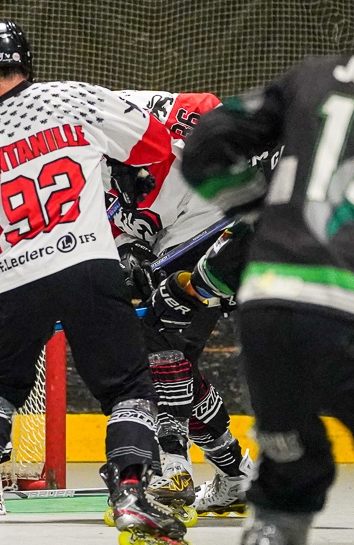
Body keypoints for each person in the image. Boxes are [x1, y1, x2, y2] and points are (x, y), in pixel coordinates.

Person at [181, 1, 354, 545]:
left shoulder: (313, 76)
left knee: (287, 486)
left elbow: (204, 147)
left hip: (273, 307)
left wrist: (259, 211)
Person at [0, 20, 194, 545]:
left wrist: (37, 270)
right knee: (127, 387)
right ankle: (130, 491)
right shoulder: (72, 97)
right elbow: (154, 144)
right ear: (26, 64)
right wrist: (121, 179)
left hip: (19, 279)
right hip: (89, 265)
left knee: (1, 385)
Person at [104, 90, 256, 519]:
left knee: (160, 341)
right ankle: (233, 473)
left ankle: (171, 464)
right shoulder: (74, 169)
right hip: (170, 244)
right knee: (166, 354)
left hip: (218, 231)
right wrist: (128, 253)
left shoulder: (160, 116)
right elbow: (110, 229)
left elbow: (216, 117)